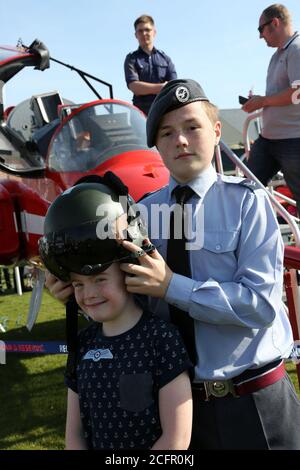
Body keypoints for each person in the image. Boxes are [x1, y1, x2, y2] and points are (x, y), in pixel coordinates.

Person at [45, 79, 300, 449]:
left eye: (191, 127)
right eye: (166, 133)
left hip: (256, 402)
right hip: (177, 410)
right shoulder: (136, 216)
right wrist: (80, 294)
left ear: (215, 132)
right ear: (156, 146)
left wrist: (171, 286)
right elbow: (130, 306)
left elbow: (260, 305)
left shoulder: (248, 203)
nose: (180, 140)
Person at [41, 176, 192, 450]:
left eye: (99, 279)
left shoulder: (162, 339)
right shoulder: (82, 344)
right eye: (78, 284)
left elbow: (176, 441)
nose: (88, 294)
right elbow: (74, 436)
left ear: (129, 270)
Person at [242, 4, 300, 215]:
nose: (260, 36)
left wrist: (263, 101)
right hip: (269, 140)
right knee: (243, 191)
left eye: (261, 29)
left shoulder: (296, 49)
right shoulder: (279, 55)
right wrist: (259, 101)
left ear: (275, 23)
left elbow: (298, 93)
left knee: (245, 190)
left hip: (293, 140)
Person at [124, 14, 177, 115]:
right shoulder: (131, 59)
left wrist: (150, 88)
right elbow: (134, 87)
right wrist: (162, 87)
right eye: (140, 31)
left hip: (165, 111)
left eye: (147, 30)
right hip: (141, 115)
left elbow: (174, 86)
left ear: (154, 32)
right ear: (136, 35)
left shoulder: (165, 59)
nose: (144, 33)